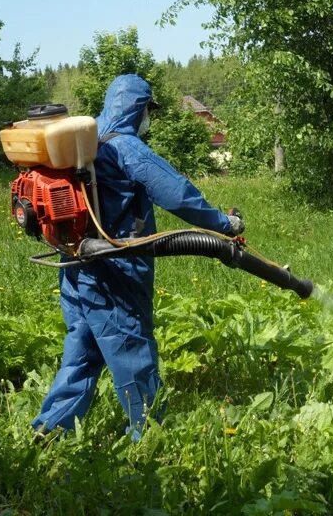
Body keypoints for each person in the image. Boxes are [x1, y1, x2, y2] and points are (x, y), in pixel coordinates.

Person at [32, 74, 244, 441]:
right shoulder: (124, 146)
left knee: (82, 352)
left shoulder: (82, 140)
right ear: (137, 107)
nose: (148, 118)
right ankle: (149, 439)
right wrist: (225, 223)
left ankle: (49, 430)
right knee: (132, 351)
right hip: (115, 269)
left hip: (75, 265)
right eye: (148, 110)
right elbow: (178, 194)